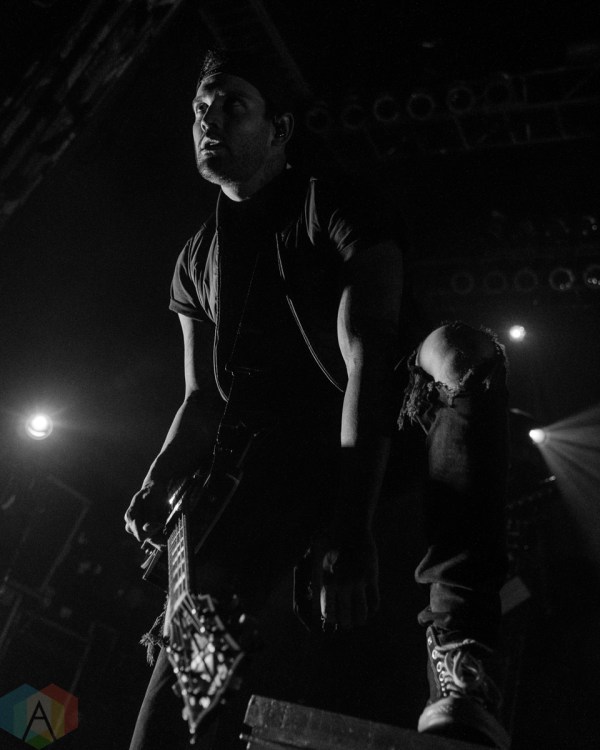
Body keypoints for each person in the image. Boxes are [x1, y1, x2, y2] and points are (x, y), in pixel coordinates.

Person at [124, 47, 510, 749]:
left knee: (463, 354)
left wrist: (350, 527)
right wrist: (158, 476)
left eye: (233, 105)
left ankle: (462, 657)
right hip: (283, 456)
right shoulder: (196, 260)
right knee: (190, 647)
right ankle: (182, 725)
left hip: (392, 412)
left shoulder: (334, 205)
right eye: (200, 107)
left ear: (279, 128)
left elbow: (368, 358)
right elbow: (202, 401)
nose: (209, 119)